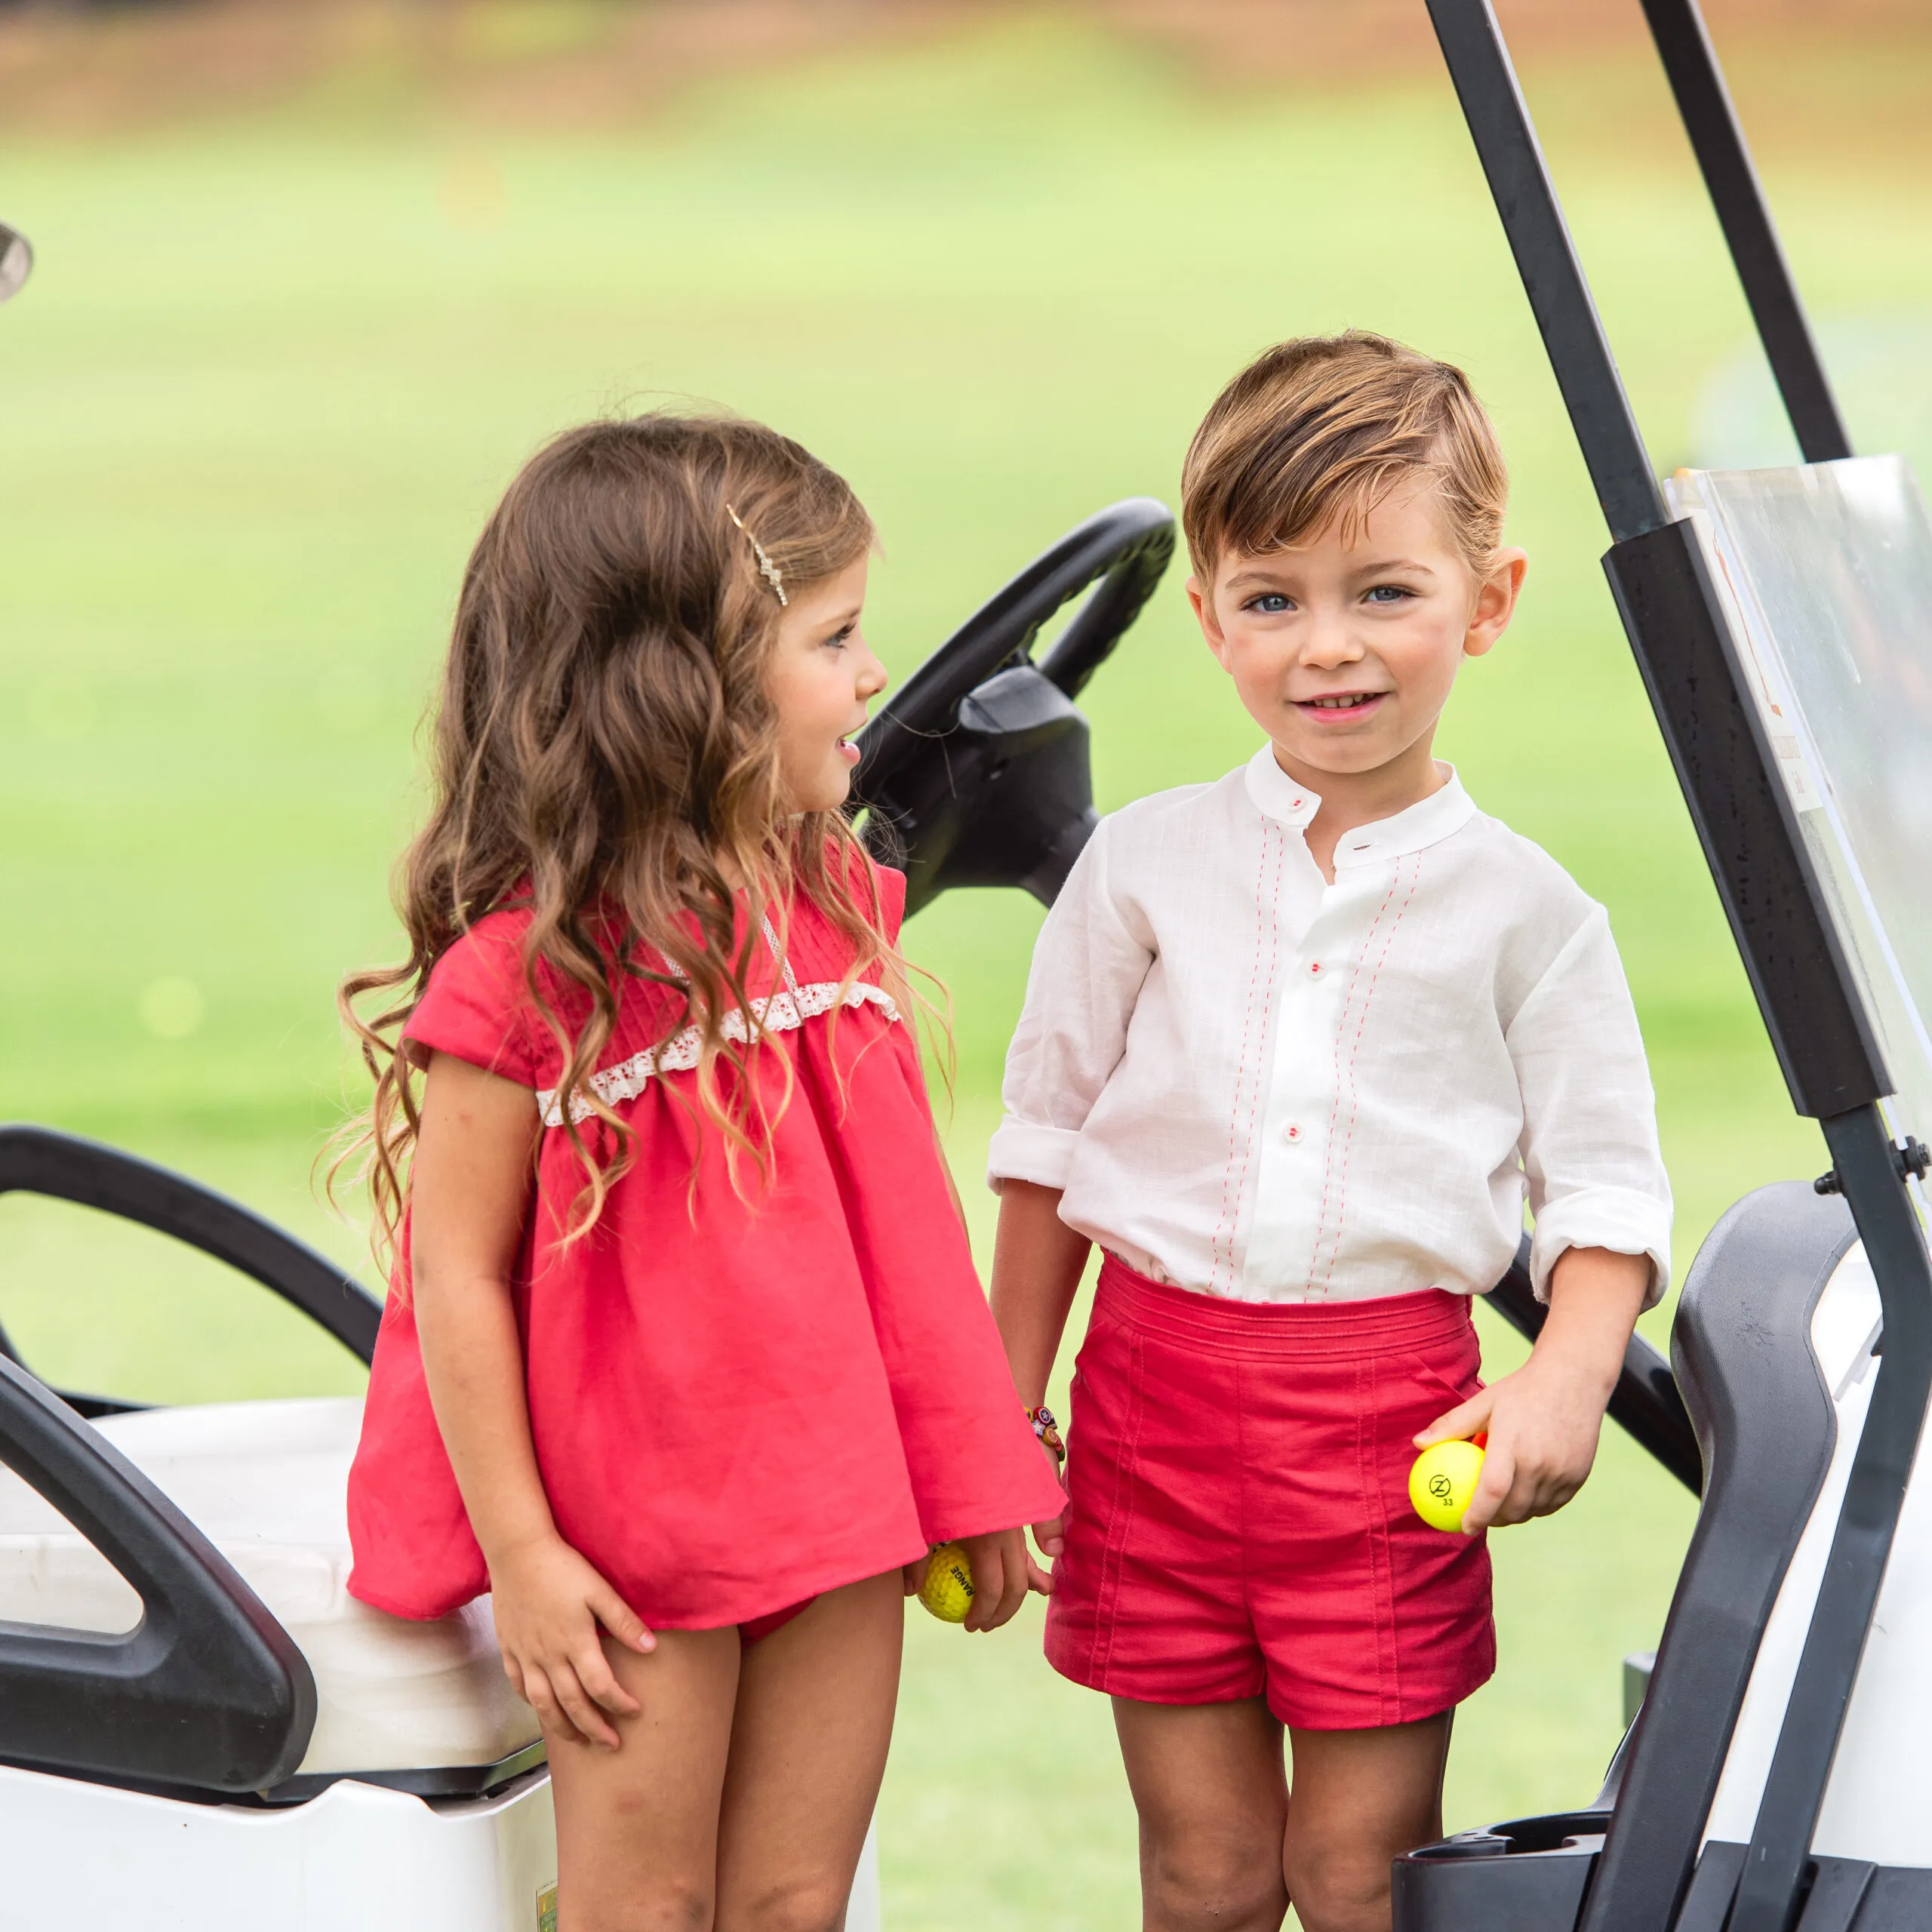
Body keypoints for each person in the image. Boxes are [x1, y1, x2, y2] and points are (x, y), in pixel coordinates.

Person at [335, 415, 1063, 1932]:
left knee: (797, 1898)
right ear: (691, 688)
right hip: (634, 1537)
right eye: (837, 636)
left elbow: (902, 1239)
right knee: (644, 1906)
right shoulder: (521, 987)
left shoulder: (828, 919)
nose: (875, 675)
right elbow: (453, 1274)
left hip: (842, 1512)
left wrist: (972, 1467)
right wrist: (526, 1558)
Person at [986, 332, 1672, 1932]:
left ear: (1486, 600)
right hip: (1148, 1406)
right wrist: (995, 1408)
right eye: (1271, 599)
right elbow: (1047, 1148)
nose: (1325, 648)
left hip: (1385, 1431)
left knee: (1357, 1874)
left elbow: (1604, 1189)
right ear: (1206, 613)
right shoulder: (1144, 866)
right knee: (1203, 1870)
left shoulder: (1530, 914)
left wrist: (1562, 1374)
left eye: (1383, 591)